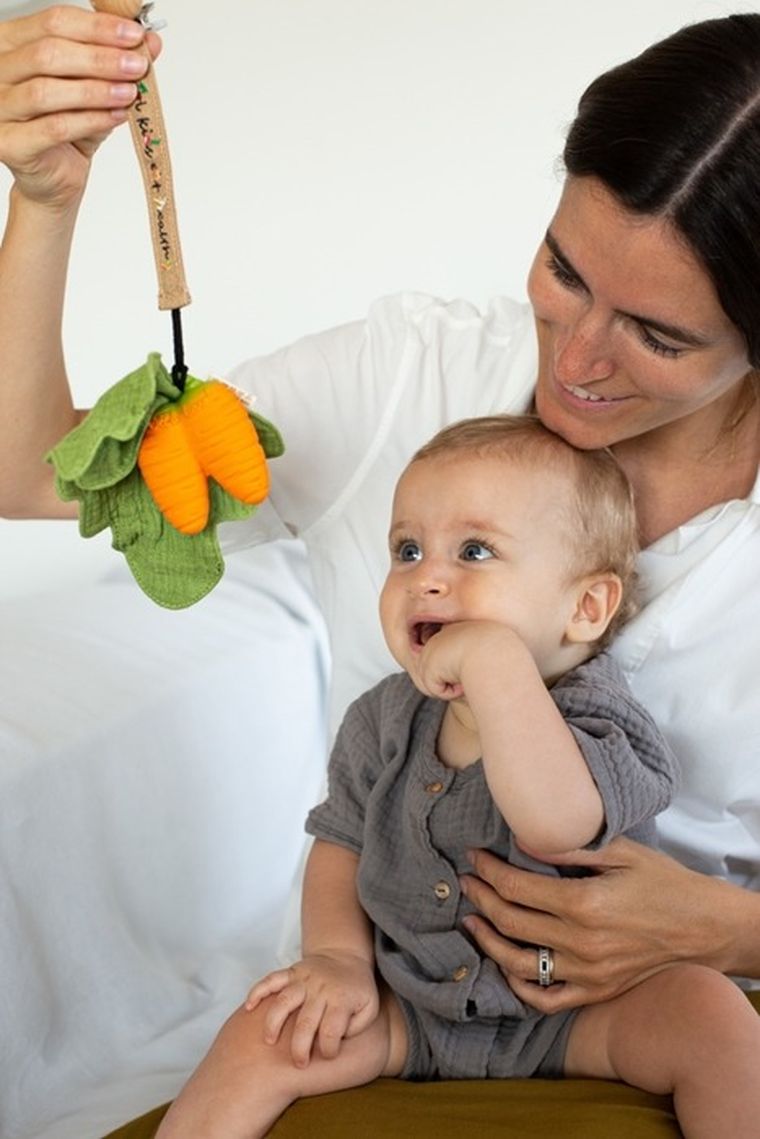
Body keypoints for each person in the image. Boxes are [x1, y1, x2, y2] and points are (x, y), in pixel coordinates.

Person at [1, 5, 760, 1134]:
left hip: (648, 1013)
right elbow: (33, 476)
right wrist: (46, 202)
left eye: (656, 334)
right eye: (563, 268)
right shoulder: (414, 376)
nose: (580, 354)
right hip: (400, 991)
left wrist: (722, 926)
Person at [153, 414, 760, 1139]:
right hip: (408, 1003)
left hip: (578, 1011)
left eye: (474, 551)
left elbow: (556, 822)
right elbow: (340, 843)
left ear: (585, 607)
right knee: (266, 1026)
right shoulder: (381, 718)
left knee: (711, 1013)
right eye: (406, 549)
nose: (427, 576)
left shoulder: (602, 716)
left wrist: (495, 665)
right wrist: (338, 960)